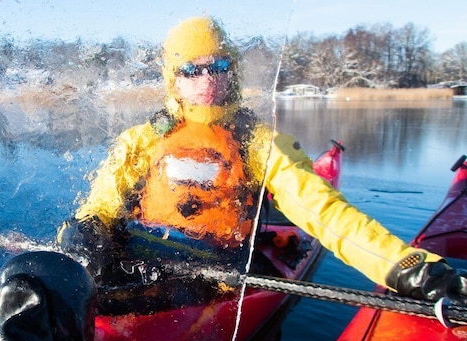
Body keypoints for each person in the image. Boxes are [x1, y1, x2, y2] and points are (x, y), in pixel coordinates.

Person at [59, 16, 467, 305]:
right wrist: (87, 227)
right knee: (40, 274)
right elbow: (102, 200)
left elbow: (325, 213)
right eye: (191, 69)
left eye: (217, 66)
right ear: (174, 78)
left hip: (211, 277)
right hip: (142, 257)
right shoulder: (144, 138)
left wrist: (411, 268)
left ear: (231, 72)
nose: (206, 80)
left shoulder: (257, 141)